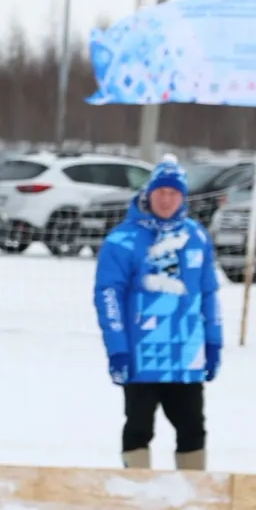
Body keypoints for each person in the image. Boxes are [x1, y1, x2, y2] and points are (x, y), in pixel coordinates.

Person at [93, 156, 222, 470]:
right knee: (139, 427)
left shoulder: (197, 237)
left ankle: (192, 496)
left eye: (174, 193)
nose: (167, 199)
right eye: (161, 192)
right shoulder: (122, 240)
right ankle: (137, 491)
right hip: (141, 354)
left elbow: (209, 293)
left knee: (192, 427)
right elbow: (107, 295)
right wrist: (118, 349)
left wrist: (214, 342)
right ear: (149, 194)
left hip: (186, 353)